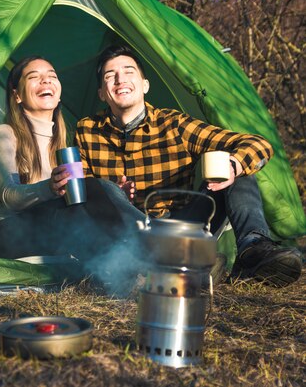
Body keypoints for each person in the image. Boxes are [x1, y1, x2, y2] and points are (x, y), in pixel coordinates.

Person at [74, 44, 302, 287]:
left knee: (233, 167)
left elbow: (257, 144)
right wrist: (115, 194)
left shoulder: (174, 125)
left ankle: (253, 248)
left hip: (183, 227)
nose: (120, 80)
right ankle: (187, 266)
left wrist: (234, 165)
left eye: (129, 72)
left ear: (145, 85)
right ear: (101, 92)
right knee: (100, 188)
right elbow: (84, 192)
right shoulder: (87, 130)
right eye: (110, 76)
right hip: (127, 235)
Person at [0, 56, 132, 262]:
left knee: (98, 194)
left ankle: (131, 256)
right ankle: (145, 238)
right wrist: (50, 188)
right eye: (34, 77)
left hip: (43, 227)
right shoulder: (5, 133)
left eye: (52, 76)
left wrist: (116, 195)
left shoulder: (64, 143)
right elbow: (10, 197)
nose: (45, 81)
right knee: (86, 202)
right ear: (17, 95)